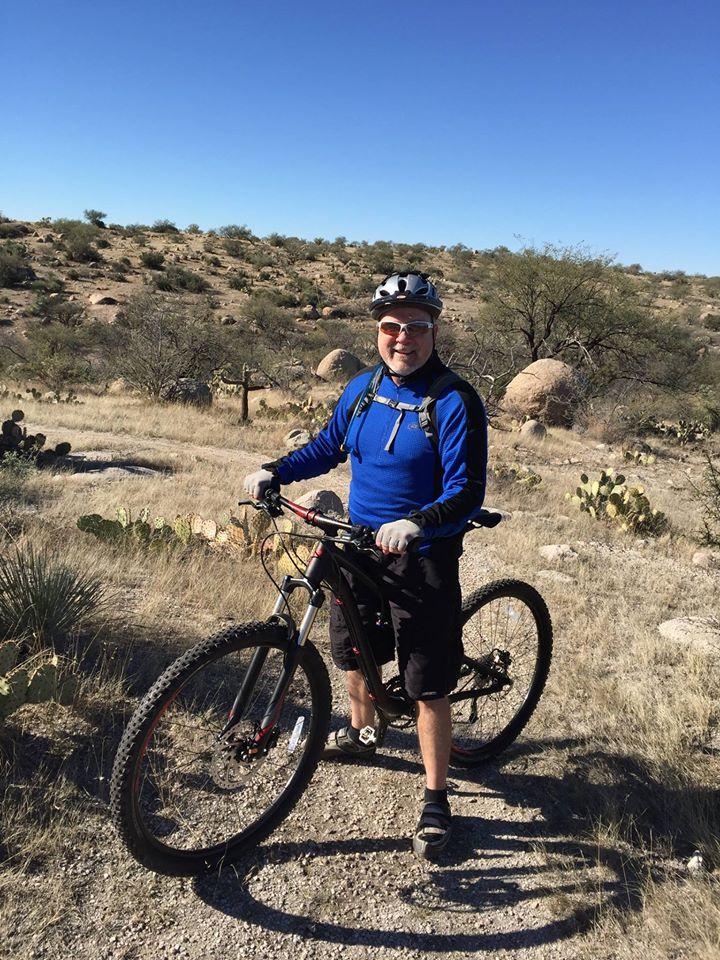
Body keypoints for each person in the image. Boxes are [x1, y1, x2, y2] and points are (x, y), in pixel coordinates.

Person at [243, 271, 488, 858]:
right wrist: (275, 469)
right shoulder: (362, 390)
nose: (402, 337)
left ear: (434, 329)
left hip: (420, 556)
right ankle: (363, 733)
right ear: (377, 331)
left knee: (427, 683)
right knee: (350, 648)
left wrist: (420, 522)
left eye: (415, 327)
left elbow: (467, 491)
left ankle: (435, 797)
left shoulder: (454, 400)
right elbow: (327, 446)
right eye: (390, 326)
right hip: (356, 543)